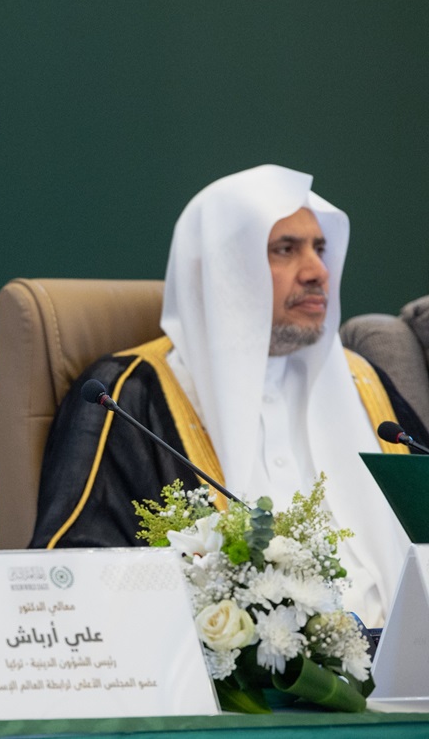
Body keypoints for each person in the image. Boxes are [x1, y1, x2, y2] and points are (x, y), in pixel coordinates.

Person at [30, 164, 428, 625]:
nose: (318, 271)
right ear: (225, 267)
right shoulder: (128, 395)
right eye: (285, 250)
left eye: (320, 248)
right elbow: (74, 571)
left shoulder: (365, 384)